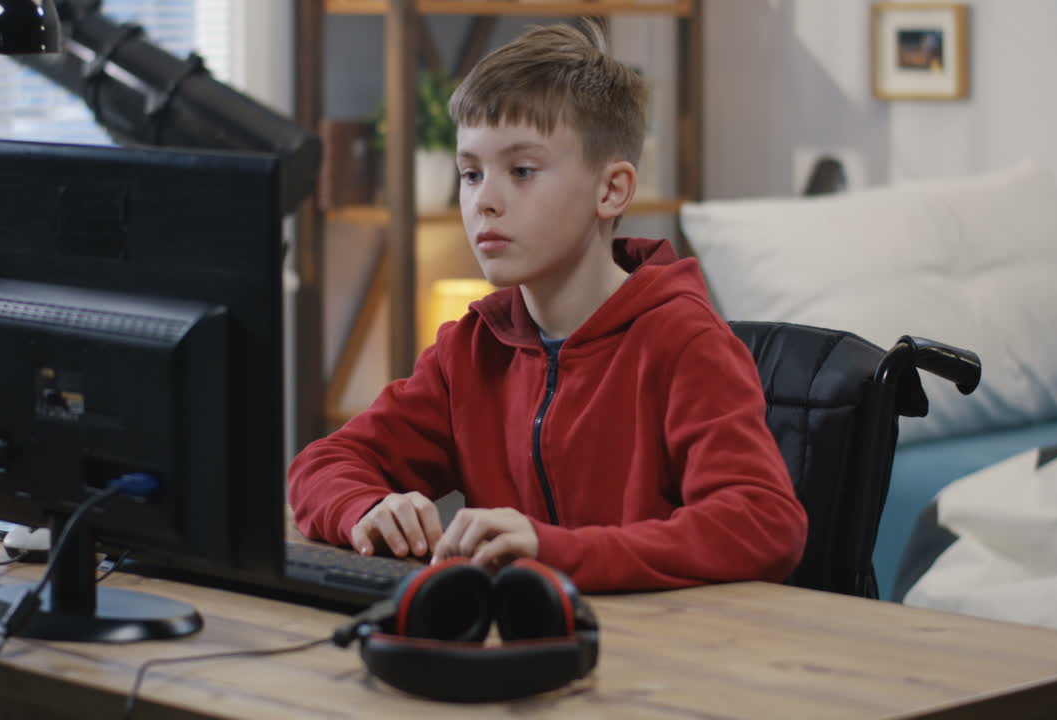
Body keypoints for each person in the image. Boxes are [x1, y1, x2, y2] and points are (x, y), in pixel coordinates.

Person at [288, 21, 807, 592]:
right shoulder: (470, 351)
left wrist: (556, 552)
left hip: (659, 640)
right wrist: (364, 508)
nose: (484, 200)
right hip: (518, 633)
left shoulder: (684, 341)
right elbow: (322, 464)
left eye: (522, 171)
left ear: (611, 190)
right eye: (470, 173)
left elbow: (763, 523)